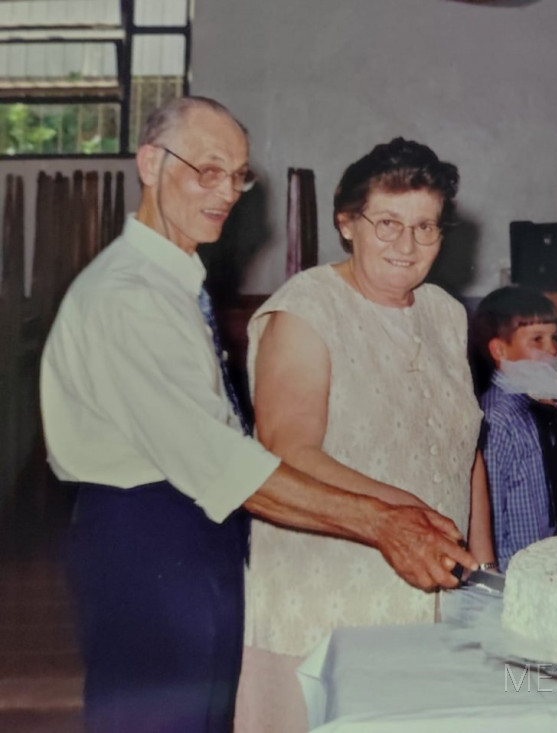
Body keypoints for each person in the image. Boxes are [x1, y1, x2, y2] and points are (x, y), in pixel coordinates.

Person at [39, 99, 476, 733]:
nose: (226, 192)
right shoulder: (127, 297)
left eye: (239, 175)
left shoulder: (173, 281)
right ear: (150, 163)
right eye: (208, 169)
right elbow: (227, 465)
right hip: (147, 536)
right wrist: (387, 523)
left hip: (200, 536)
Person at [235, 137, 495, 732]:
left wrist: (481, 562)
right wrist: (413, 512)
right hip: (329, 582)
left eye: (426, 227)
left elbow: (465, 449)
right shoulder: (306, 311)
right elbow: (287, 449)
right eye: (388, 224)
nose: (407, 245)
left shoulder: (445, 313)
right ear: (346, 223)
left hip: (436, 580)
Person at [470, 285, 557, 571]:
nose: (553, 350)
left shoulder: (529, 406)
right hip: (512, 570)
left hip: (539, 563)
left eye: (553, 338)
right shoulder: (495, 419)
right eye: (538, 340)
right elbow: (489, 512)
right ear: (500, 349)